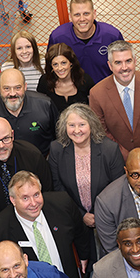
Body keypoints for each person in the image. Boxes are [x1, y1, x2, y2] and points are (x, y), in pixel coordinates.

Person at [0, 171, 90, 278]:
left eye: (36, 195)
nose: (33, 203)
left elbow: (80, 231)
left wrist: (83, 256)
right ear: (13, 200)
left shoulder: (63, 204)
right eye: (25, 198)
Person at [48, 104, 124, 248]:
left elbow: (118, 188)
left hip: (108, 219)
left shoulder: (110, 150)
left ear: (91, 125)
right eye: (71, 125)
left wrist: (99, 215)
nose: (77, 130)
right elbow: (58, 188)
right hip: (73, 220)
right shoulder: (57, 149)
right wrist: (81, 214)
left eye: (82, 124)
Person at [87, 41, 140, 157]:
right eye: (118, 62)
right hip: (116, 158)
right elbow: (101, 132)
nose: (124, 68)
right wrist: (125, 156)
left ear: (135, 61)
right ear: (110, 65)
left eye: (128, 61)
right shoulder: (97, 93)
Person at [47, 0, 125, 83]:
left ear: (94, 14)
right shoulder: (58, 37)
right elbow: (51, 68)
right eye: (77, 15)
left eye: (86, 13)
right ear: (70, 16)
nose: (82, 19)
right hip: (74, 93)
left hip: (106, 90)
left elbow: (123, 66)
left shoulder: (112, 35)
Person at [0, 68, 57, 155]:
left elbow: (58, 138)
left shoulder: (45, 105)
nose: (12, 93)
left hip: (41, 163)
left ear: (25, 87)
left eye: (17, 88)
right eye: (6, 88)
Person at [37, 42, 94, 116]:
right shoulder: (45, 81)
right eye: (55, 64)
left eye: (63, 63)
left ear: (71, 63)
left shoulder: (85, 80)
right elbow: (41, 109)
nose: (60, 68)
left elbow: (94, 110)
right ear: (51, 66)